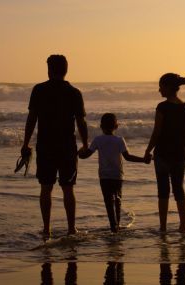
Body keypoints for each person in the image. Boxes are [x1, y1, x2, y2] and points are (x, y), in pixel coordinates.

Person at [21, 54, 88, 240]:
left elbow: (31, 119)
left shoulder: (39, 90)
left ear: (49, 69)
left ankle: (46, 228)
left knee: (46, 188)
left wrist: (26, 143)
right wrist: (85, 144)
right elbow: (81, 122)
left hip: (45, 145)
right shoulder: (74, 92)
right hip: (67, 146)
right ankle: (71, 229)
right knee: (68, 188)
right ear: (66, 70)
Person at [79, 113, 151, 233]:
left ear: (101, 126)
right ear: (116, 126)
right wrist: (143, 160)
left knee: (108, 201)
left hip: (104, 176)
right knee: (118, 199)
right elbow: (127, 157)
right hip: (118, 175)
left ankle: (113, 226)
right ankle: (117, 224)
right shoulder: (119, 140)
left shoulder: (98, 140)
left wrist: (78, 152)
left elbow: (85, 155)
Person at [144, 73, 185, 233]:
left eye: (161, 86)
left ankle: (163, 227)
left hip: (163, 154)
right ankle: (183, 225)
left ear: (168, 87)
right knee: (179, 189)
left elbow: (157, 132)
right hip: (179, 155)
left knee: (163, 191)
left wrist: (147, 150)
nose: (159, 90)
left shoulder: (162, 107)